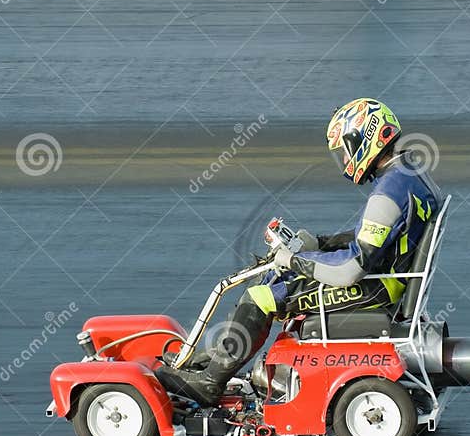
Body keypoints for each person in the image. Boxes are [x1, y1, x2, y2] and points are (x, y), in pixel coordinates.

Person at [156, 98, 443, 405]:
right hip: (390, 276)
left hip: (377, 288)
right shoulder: (409, 174)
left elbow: (351, 268)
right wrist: (319, 243)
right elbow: (382, 237)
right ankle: (217, 359)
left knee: (261, 297)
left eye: (345, 150)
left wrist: (293, 259)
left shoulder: (387, 193)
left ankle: (210, 382)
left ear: (363, 139)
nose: (345, 159)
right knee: (278, 282)